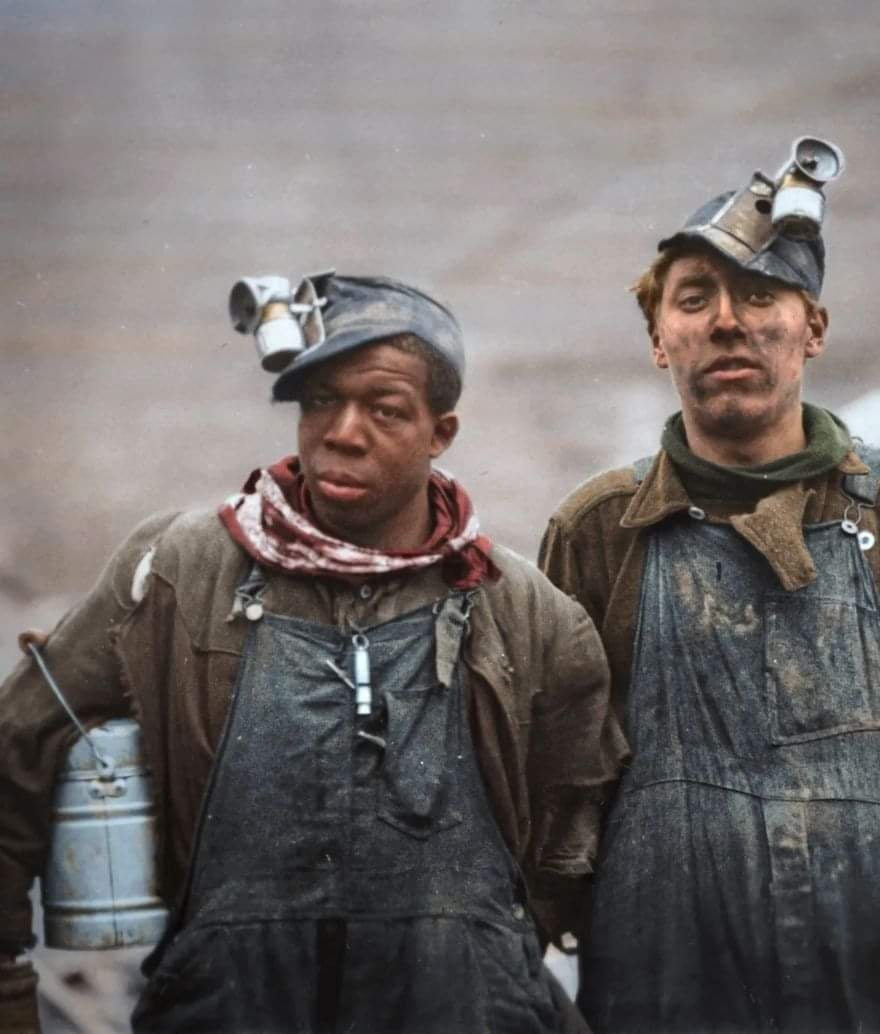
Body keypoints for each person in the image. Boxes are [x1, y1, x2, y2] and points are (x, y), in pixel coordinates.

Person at [0, 274, 627, 1033]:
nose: (343, 432)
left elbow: (572, 847)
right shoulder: (180, 572)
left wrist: (479, 961)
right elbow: (17, 749)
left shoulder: (525, 614)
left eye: (384, 409)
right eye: (321, 400)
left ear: (441, 433)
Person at [539, 170, 880, 1032]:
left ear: (812, 328)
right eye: (694, 299)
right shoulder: (599, 530)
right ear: (659, 339)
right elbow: (550, 779)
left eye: (760, 294)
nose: (727, 321)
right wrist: (611, 926)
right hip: (663, 995)